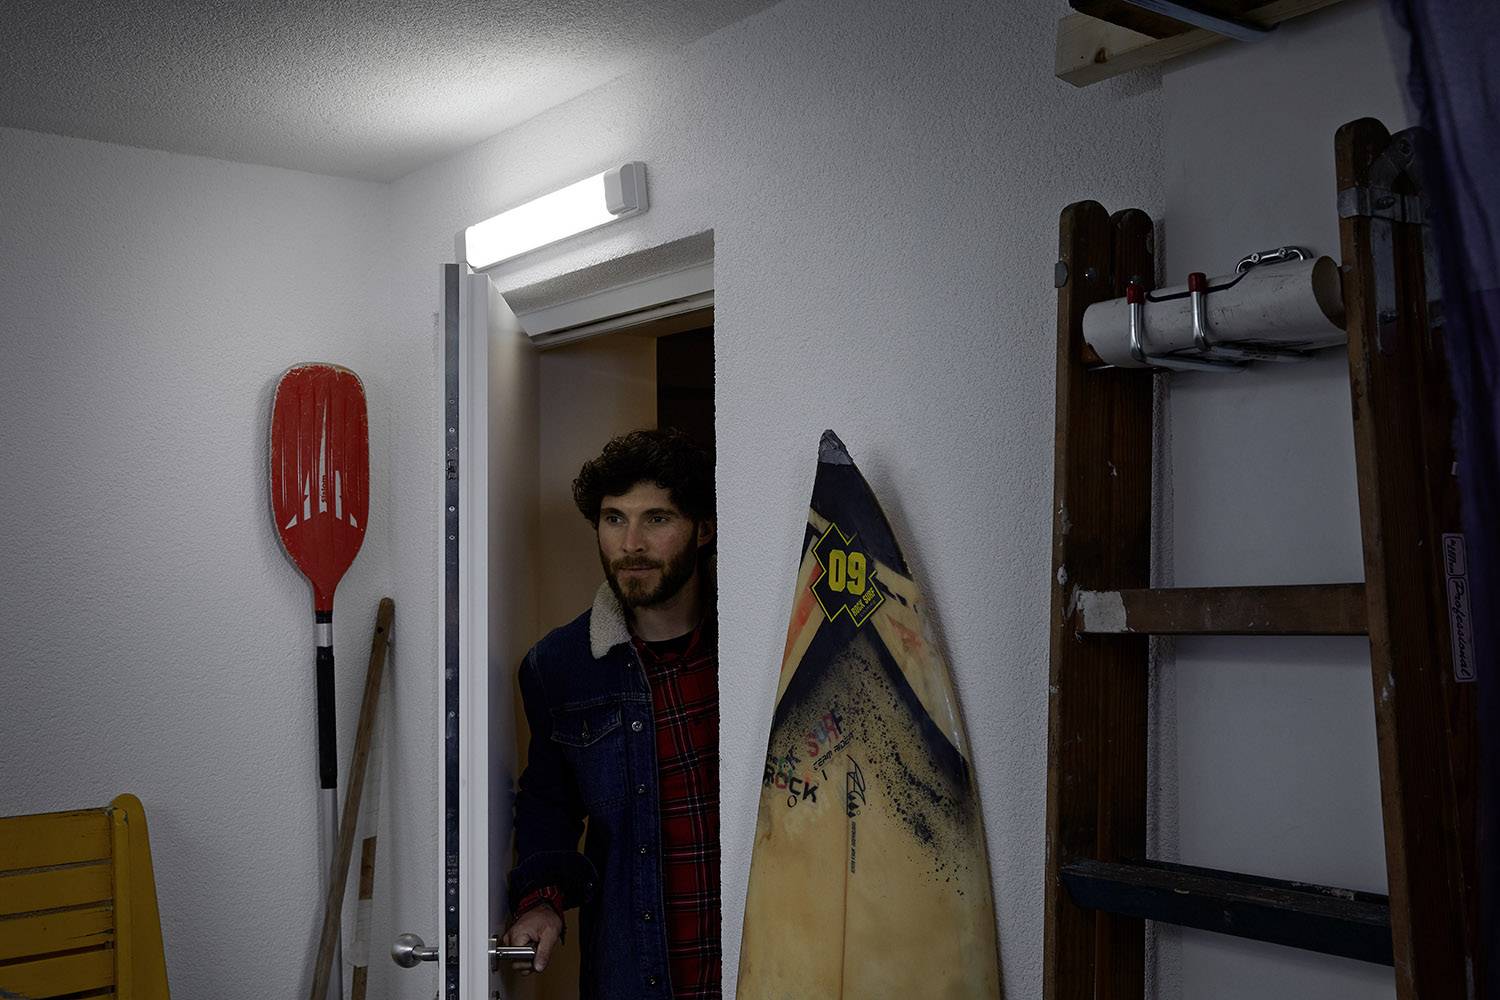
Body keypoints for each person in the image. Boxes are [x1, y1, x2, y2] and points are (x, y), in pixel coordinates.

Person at [502, 428, 720, 1000]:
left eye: (657, 519)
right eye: (614, 519)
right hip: (634, 975)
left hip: (764, 963)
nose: (631, 543)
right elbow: (548, 801)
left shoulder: (751, 645)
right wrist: (541, 902)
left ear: (703, 529)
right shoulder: (560, 666)